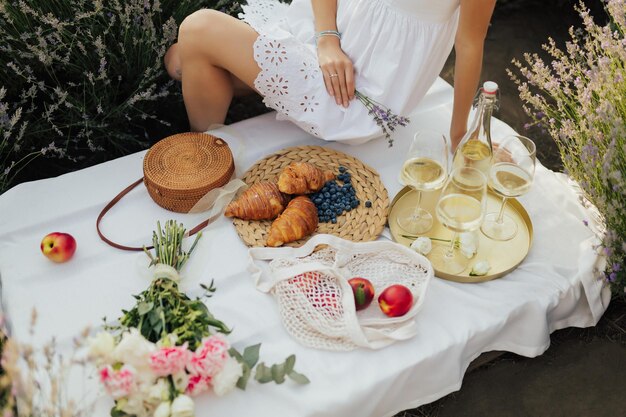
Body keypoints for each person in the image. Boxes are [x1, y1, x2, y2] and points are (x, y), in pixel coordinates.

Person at [164, 0, 496, 150]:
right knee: (178, 59)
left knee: (197, 31)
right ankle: (209, 149)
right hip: (327, 32)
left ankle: (200, 153)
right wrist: (327, 39)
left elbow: (469, 45)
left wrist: (460, 136)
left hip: (359, 88)